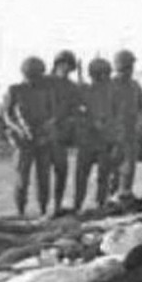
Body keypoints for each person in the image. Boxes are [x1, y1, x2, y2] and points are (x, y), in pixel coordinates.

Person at [3, 56, 63, 217]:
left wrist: (47, 126)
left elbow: (54, 113)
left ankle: (43, 209)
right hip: (23, 141)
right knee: (22, 178)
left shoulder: (47, 91)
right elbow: (7, 115)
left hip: (43, 138)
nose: (35, 79)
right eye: (32, 75)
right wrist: (19, 129)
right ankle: (20, 211)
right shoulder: (15, 90)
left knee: (43, 177)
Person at [74, 58, 119, 211]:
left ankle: (100, 203)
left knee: (103, 175)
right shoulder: (84, 91)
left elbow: (117, 114)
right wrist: (89, 121)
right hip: (88, 138)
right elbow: (77, 111)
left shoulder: (112, 91)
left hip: (105, 139)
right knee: (82, 175)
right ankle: (78, 204)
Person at [47, 50, 83, 216]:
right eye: (63, 65)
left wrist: (70, 119)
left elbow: (77, 108)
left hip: (60, 133)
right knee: (42, 175)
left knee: (61, 170)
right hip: (41, 132)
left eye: (69, 66)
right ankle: (42, 207)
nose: (66, 68)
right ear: (57, 65)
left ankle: (57, 205)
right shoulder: (44, 83)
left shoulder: (72, 87)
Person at [110, 50, 142, 200]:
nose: (131, 69)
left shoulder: (135, 86)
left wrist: (141, 122)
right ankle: (111, 197)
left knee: (129, 167)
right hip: (113, 134)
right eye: (129, 66)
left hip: (131, 132)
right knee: (113, 168)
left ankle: (125, 195)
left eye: (131, 66)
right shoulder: (110, 85)